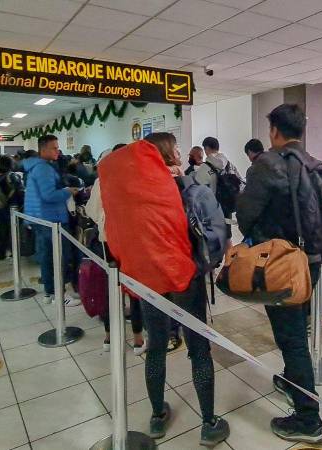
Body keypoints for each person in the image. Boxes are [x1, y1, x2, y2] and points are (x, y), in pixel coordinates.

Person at [98, 133, 229, 447]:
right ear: (171, 154)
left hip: (146, 280)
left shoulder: (127, 193)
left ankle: (157, 417)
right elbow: (217, 237)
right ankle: (209, 423)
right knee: (199, 349)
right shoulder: (191, 190)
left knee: (156, 346)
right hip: (186, 279)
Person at [236, 104, 322, 444]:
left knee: (291, 339)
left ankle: (308, 418)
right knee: (296, 328)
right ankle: (291, 379)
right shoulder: (314, 163)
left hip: (281, 265)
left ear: (274, 131)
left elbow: (246, 214)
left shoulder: (267, 164)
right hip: (313, 262)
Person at [85, 144, 147, 354]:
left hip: (109, 241)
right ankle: (138, 337)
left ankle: (110, 336)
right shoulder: (139, 178)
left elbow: (92, 211)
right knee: (135, 291)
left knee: (109, 289)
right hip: (133, 242)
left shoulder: (102, 181)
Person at [23, 135, 81, 307]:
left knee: (47, 257)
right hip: (51, 218)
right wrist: (68, 191)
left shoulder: (36, 167)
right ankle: (59, 295)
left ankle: (50, 293)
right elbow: (49, 195)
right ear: (43, 150)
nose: (58, 151)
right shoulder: (44, 169)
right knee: (58, 258)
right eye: (54, 148)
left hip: (40, 218)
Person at [194, 136, 242, 247]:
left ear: (206, 148)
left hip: (211, 208)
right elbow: (239, 181)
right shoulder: (229, 164)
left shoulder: (205, 167)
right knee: (227, 236)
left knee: (211, 237)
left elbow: (198, 189)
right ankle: (229, 261)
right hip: (227, 205)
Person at [0, 156, 24, 261]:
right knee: (13, 230)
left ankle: (1, 253)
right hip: (12, 206)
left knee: (2, 229)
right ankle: (14, 252)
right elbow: (19, 191)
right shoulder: (12, 175)